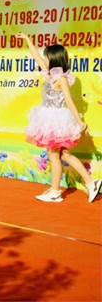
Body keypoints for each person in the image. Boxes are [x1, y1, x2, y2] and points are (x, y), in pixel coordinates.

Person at [18, 33, 101, 202]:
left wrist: (80, 121)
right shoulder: (49, 74)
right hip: (48, 118)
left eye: (47, 57)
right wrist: (27, 40)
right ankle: (91, 182)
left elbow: (69, 101)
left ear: (54, 59)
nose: (44, 60)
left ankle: (55, 192)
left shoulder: (61, 78)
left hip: (56, 121)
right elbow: (35, 56)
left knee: (54, 155)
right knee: (63, 154)